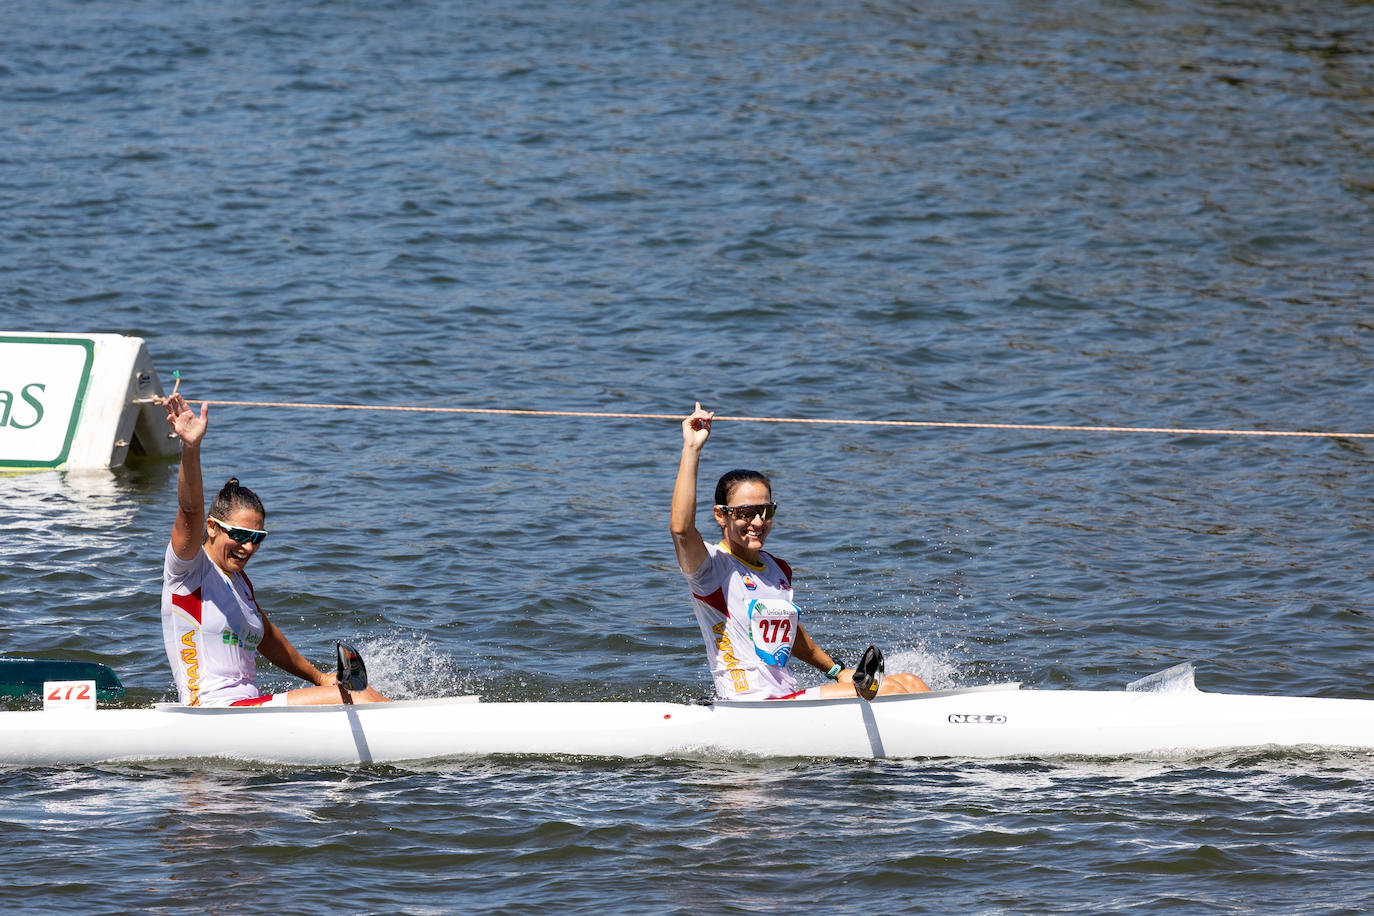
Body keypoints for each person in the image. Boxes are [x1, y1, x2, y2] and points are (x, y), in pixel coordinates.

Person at [670, 402, 930, 700]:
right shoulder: (709, 568)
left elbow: (792, 635)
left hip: (786, 700)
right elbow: (681, 529)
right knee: (889, 689)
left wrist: (835, 671)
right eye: (747, 512)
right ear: (721, 515)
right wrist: (691, 449)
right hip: (749, 706)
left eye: (766, 511)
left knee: (909, 681)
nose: (758, 522)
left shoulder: (778, 569)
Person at [161, 391, 388, 707]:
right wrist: (191, 447)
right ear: (211, 527)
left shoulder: (239, 582)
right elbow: (189, 511)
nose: (249, 546)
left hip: (248, 708)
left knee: (357, 694)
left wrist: (320, 678)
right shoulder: (188, 570)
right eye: (240, 534)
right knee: (359, 697)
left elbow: (266, 638)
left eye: (257, 537)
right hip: (212, 713)